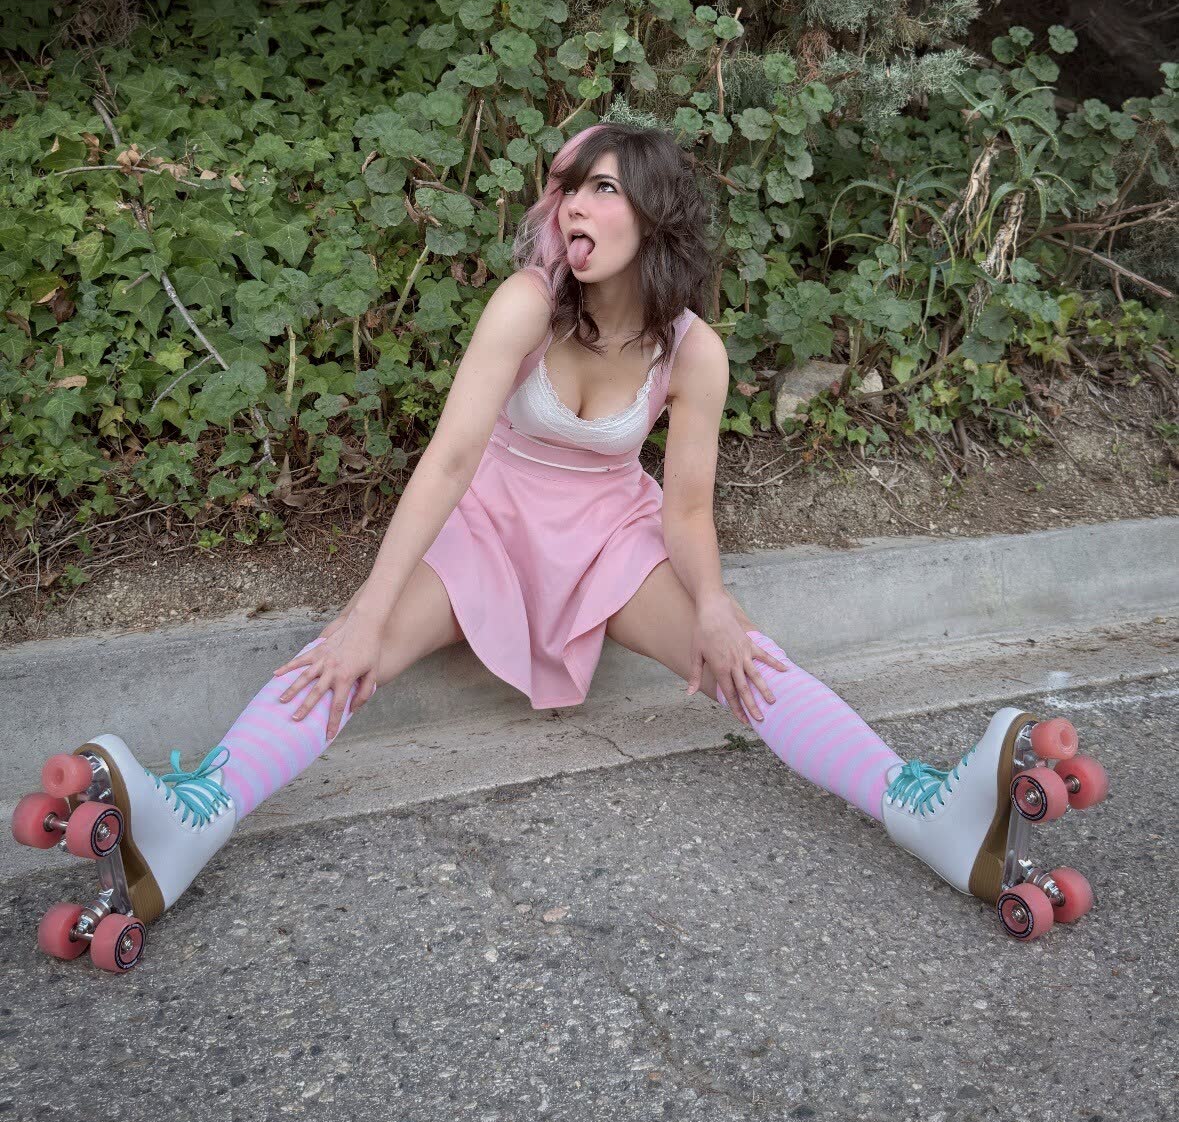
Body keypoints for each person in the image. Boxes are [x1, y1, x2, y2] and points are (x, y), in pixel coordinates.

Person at [31, 123, 1103, 947]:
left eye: (602, 186)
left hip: (607, 537)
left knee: (742, 660)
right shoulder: (524, 305)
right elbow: (448, 461)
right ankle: (195, 814)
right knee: (346, 657)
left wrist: (715, 606)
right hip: (491, 519)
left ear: (653, 215)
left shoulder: (695, 350)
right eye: (569, 186)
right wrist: (365, 608)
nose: (573, 202)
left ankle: (923, 807)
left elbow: (686, 507)